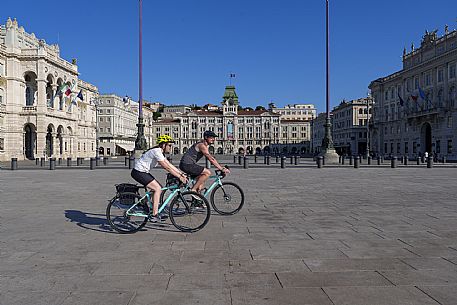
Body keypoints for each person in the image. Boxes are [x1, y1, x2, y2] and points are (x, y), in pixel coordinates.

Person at [131, 135, 188, 222]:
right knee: (157, 188)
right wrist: (179, 177)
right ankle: (154, 214)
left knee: (159, 187)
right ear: (163, 145)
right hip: (138, 172)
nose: (170, 147)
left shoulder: (160, 152)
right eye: (169, 145)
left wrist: (181, 173)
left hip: (143, 172)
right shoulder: (156, 151)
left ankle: (142, 202)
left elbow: (169, 165)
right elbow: (166, 167)